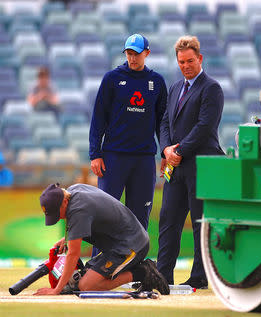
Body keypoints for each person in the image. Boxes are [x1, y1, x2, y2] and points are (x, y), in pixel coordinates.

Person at [157, 36, 224, 289]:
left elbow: (205, 126)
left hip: (201, 165)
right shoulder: (175, 88)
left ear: (200, 59)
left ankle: (200, 277)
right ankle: (163, 276)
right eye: (182, 61)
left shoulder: (212, 88)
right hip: (175, 165)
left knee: (199, 222)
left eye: (190, 61)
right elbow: (164, 122)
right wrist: (166, 149)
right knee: (168, 220)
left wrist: (179, 150)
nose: (186, 65)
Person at [89, 34, 167, 240]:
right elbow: (98, 118)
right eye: (129, 54)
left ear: (147, 53)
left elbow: (162, 123)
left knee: (140, 217)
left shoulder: (157, 82)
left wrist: (165, 153)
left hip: (144, 160)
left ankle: (135, 269)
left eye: (137, 54)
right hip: (113, 158)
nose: (132, 58)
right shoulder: (112, 79)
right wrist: (95, 154)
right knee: (105, 215)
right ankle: (99, 266)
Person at [34, 183, 169, 295]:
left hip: (132, 245)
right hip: (120, 243)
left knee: (87, 286)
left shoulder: (78, 210)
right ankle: (141, 271)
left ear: (64, 201)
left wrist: (56, 290)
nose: (58, 218)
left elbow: (73, 254)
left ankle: (144, 272)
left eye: (57, 214)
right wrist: (68, 238)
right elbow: (89, 219)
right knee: (84, 279)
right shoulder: (74, 191)